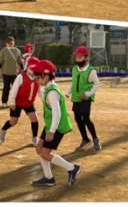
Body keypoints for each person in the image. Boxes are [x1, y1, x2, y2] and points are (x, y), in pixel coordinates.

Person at [32, 59, 80, 187]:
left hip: (57, 126)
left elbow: (57, 114)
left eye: (38, 76)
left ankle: (72, 168)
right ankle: (49, 178)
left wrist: (52, 131)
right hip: (50, 125)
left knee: (45, 153)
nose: (36, 79)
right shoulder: (49, 88)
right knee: (39, 149)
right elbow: (44, 99)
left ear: (46, 76)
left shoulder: (52, 92)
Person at [0, 56, 41, 146]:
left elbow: (40, 91)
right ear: (28, 67)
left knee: (34, 118)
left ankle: (35, 138)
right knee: (13, 122)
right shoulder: (21, 76)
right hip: (17, 102)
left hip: (29, 103)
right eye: (31, 67)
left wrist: (45, 100)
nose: (33, 70)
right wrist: (11, 102)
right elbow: (13, 90)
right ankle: (3, 129)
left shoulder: (38, 77)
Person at [68, 46, 101, 152]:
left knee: (86, 118)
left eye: (80, 57)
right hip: (76, 98)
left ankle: (95, 139)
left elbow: (97, 84)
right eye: (76, 57)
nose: (77, 59)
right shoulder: (74, 69)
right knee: (77, 118)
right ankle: (85, 139)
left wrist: (88, 94)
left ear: (86, 58)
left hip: (86, 98)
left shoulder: (91, 71)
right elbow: (73, 82)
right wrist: (68, 92)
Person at [0, 37, 22, 107]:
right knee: (7, 88)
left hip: (14, 73)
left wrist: (20, 70)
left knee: (13, 88)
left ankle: (12, 101)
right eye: (10, 43)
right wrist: (0, 70)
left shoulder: (17, 51)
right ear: (6, 43)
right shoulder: (4, 50)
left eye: (12, 43)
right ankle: (5, 101)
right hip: (7, 73)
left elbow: (20, 61)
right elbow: (0, 61)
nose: (11, 44)